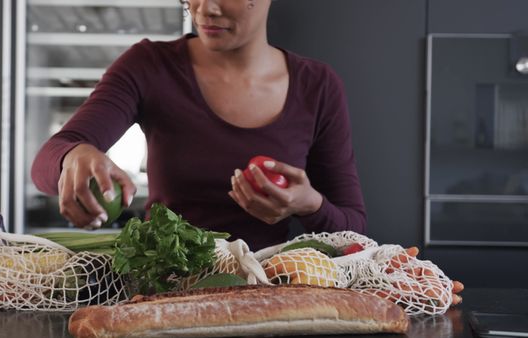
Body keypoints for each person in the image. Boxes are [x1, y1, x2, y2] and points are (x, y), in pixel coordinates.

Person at [31, 0, 366, 251]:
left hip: (266, 292)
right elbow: (47, 163)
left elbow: (354, 232)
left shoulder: (317, 86)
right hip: (162, 293)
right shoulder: (148, 66)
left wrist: (309, 205)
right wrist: (73, 156)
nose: (205, 9)